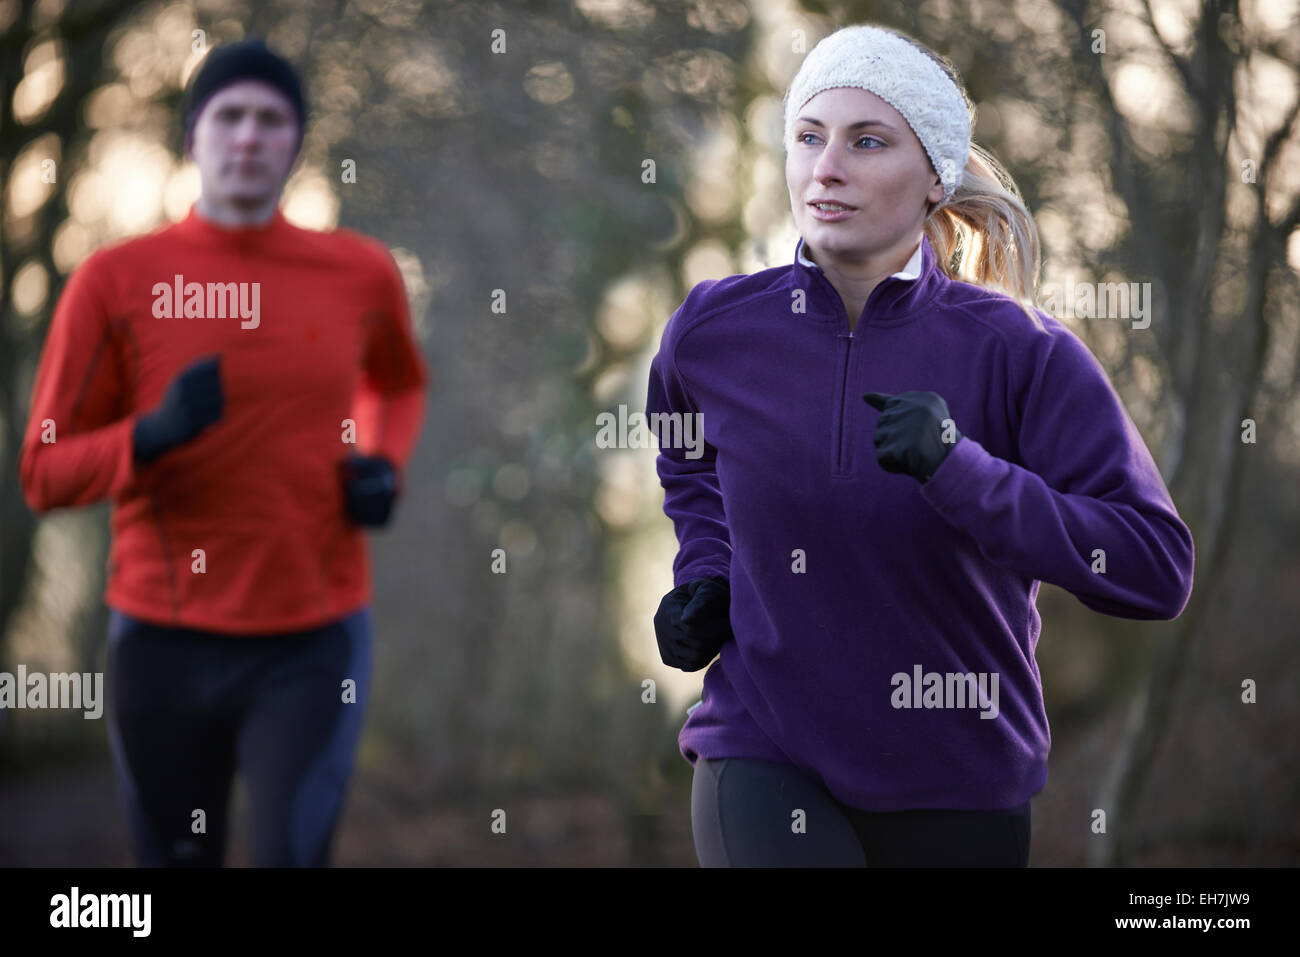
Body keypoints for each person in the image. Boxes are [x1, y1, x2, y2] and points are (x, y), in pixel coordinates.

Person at [646, 23, 1194, 867]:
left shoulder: (1023, 354)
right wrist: (706, 577)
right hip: (765, 750)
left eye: (868, 142)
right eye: (808, 136)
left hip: (960, 777)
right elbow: (690, 468)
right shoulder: (712, 333)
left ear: (935, 177)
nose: (827, 167)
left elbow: (1154, 567)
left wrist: (962, 472)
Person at [18, 38, 429, 866]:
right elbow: (43, 471)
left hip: (313, 642)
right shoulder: (114, 281)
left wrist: (384, 464)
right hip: (163, 644)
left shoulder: (359, 271)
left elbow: (398, 383)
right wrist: (148, 435)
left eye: (270, 119)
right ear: (192, 137)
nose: (248, 136)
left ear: (296, 143)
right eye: (228, 116)